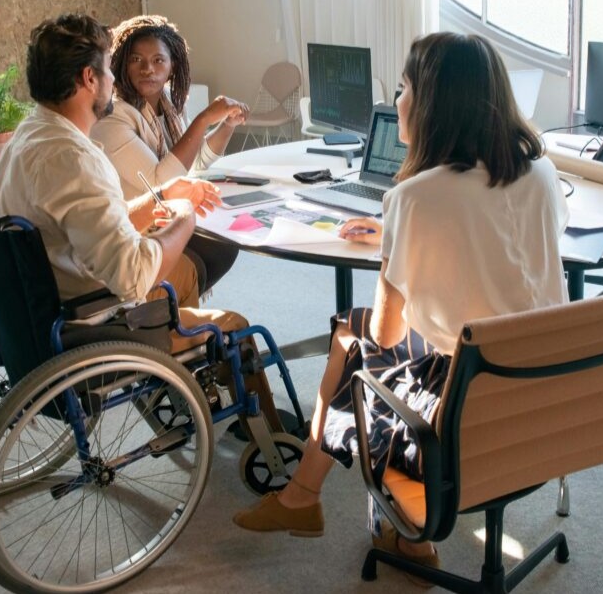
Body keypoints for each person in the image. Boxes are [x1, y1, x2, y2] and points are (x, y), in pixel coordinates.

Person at [232, 32, 569, 577]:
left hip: (466, 400)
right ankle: (356, 517)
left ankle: (309, 498)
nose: (395, 103)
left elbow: (387, 335)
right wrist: (404, 236)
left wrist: (402, 239)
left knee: (352, 337)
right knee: (359, 334)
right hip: (546, 384)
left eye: (404, 88)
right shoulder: (542, 174)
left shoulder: (415, 198)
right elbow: (505, 247)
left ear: (434, 103)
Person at [0, 14, 282, 425]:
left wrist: (160, 196)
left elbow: (88, 220)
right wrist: (183, 217)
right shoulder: (76, 158)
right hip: (96, 321)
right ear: (90, 78)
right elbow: (132, 275)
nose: (115, 79)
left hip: (41, 307)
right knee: (240, 328)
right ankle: (269, 442)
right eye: (111, 68)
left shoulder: (30, 136)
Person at [91, 14, 247, 295]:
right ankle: (167, 312)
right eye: (136, 60)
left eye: (158, 60)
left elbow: (193, 163)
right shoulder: (113, 117)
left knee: (225, 235)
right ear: (122, 63)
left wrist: (226, 125)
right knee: (207, 248)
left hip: (163, 219)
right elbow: (162, 180)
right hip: (134, 233)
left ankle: (177, 311)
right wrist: (203, 120)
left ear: (173, 66)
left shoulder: (169, 107)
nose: (147, 69)